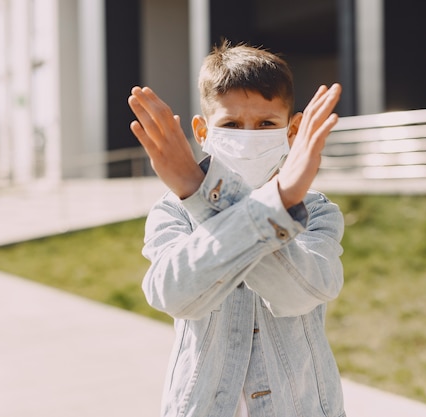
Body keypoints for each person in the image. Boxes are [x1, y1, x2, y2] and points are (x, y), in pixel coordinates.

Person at [127, 41, 346, 417]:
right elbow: (172, 295)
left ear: (292, 130)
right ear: (202, 130)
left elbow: (304, 293)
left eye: (266, 124)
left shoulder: (316, 210)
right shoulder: (172, 211)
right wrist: (276, 205)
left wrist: (203, 192)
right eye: (231, 124)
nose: (249, 136)